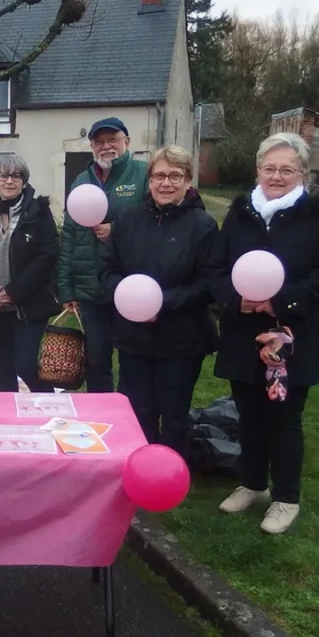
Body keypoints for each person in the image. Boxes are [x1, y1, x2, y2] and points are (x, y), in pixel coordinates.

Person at [211, 132, 319, 535]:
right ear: (258, 171)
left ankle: (286, 498)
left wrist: (279, 301)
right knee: (248, 415)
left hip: (291, 337)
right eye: (270, 168)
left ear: (303, 174)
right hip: (242, 333)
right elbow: (216, 270)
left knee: (284, 419)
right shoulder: (240, 213)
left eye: (287, 169)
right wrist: (237, 301)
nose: (277, 176)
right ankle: (253, 484)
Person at [99, 146, 218, 461]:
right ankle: (136, 467)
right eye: (160, 175)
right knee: (137, 410)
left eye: (175, 176)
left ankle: (169, 473)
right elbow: (108, 270)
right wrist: (129, 299)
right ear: (149, 180)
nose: (167, 183)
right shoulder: (126, 220)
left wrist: (160, 304)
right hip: (133, 336)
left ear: (188, 181)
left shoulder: (203, 226)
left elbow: (208, 284)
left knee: (174, 411)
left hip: (180, 337)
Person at [57, 117, 148, 392]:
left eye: (113, 140)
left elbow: (154, 222)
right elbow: (70, 236)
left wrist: (116, 231)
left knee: (134, 362)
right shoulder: (82, 181)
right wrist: (66, 289)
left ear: (127, 142)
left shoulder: (143, 175)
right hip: (90, 289)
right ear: (92, 146)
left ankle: (132, 417)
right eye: (99, 142)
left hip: (130, 287)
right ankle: (101, 419)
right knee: (96, 361)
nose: (106, 146)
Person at [0, 153, 60, 393]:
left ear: (24, 181)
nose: (9, 181)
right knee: (4, 369)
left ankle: (51, 408)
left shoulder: (40, 212)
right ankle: (7, 422)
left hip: (29, 303)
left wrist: (13, 293)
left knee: (26, 366)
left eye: (16, 176)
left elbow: (47, 257)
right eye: (3, 175)